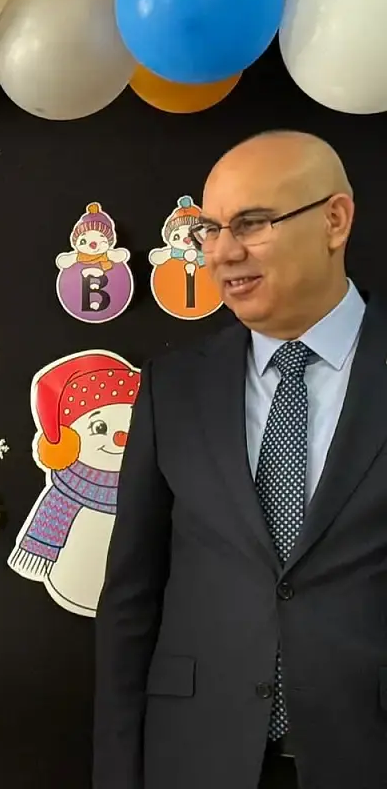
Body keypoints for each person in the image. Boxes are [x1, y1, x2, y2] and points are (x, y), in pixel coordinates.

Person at [94, 131, 385, 789]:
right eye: (210, 230)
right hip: (198, 758)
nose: (223, 253)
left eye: (252, 223)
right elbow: (131, 601)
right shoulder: (173, 388)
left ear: (335, 220)